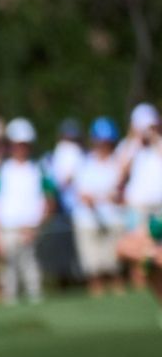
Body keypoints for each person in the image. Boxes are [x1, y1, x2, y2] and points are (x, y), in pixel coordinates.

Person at [0, 118, 56, 304]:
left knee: (32, 277)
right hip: (8, 230)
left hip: (31, 230)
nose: (20, 149)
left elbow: (49, 202)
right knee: (9, 279)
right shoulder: (2, 170)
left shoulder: (39, 169)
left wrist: (37, 227)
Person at [72, 117, 125, 296]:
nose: (104, 145)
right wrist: (102, 198)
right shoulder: (85, 163)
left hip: (112, 220)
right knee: (93, 269)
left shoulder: (118, 162)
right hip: (89, 222)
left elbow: (119, 193)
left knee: (114, 267)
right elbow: (83, 195)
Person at [119, 103, 162, 292]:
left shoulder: (159, 144)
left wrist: (155, 140)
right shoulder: (129, 147)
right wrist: (135, 142)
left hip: (159, 208)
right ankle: (141, 290)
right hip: (139, 208)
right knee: (133, 250)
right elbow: (121, 172)